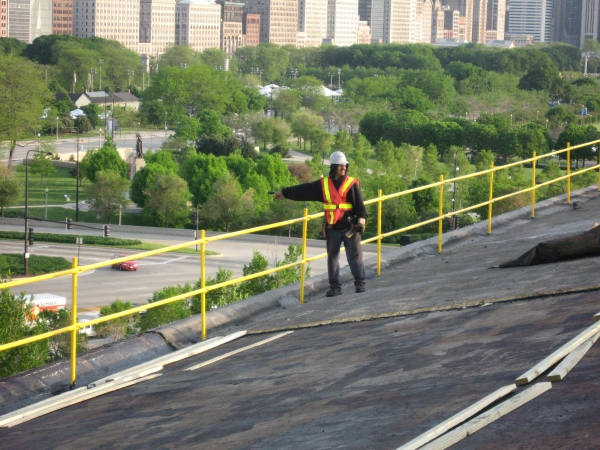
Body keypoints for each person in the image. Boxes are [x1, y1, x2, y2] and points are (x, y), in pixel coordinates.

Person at [274, 151, 367, 297]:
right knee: (333, 257)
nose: (343, 167)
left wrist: (361, 222)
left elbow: (361, 207)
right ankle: (335, 288)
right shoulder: (323, 185)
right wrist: (284, 192)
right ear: (334, 166)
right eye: (340, 165)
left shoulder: (352, 184)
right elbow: (304, 190)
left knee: (354, 256)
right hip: (332, 227)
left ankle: (360, 283)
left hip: (350, 227)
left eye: (345, 165)